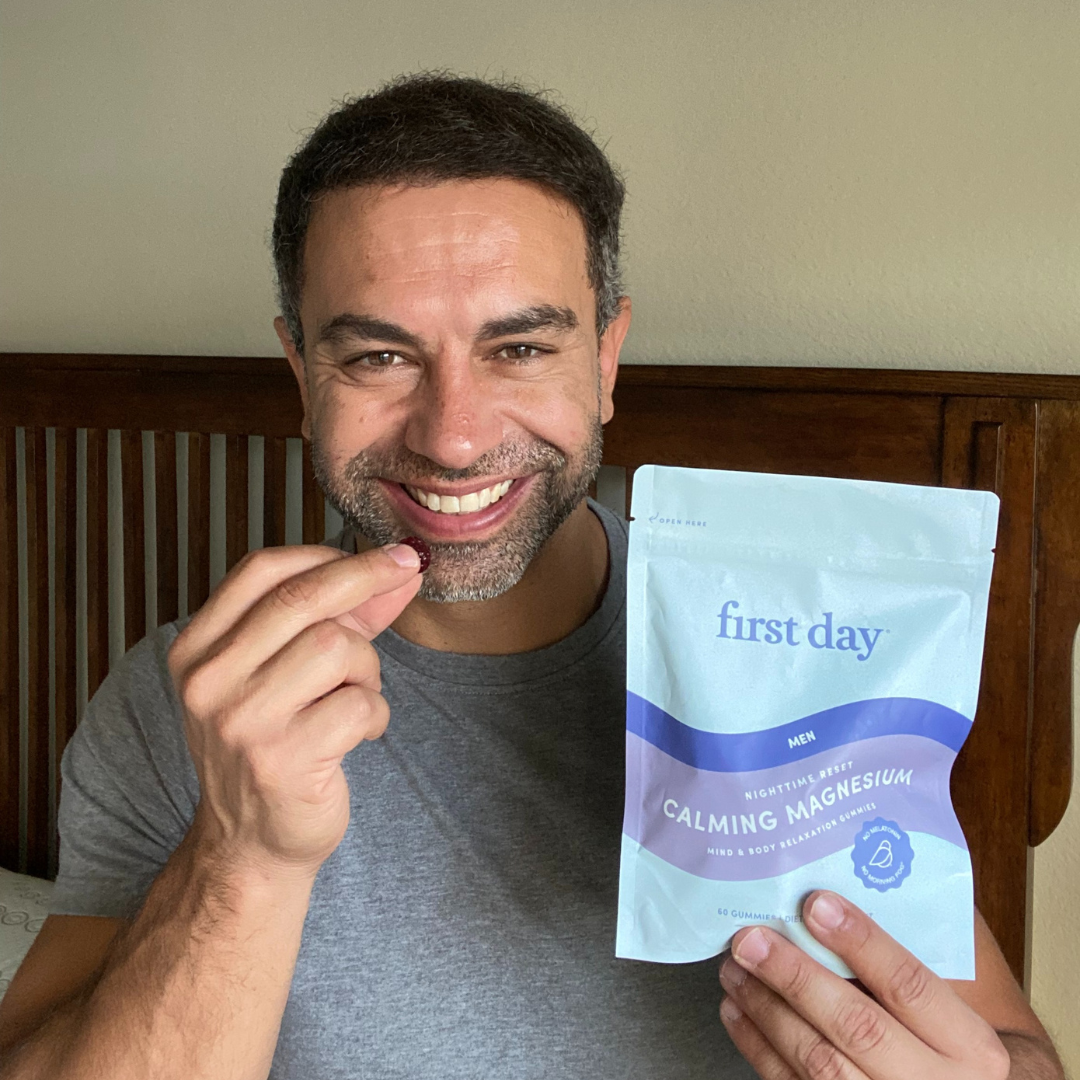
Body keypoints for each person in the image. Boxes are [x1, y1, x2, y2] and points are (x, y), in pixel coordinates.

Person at [0, 74, 1064, 1080]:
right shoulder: (196, 701)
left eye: (518, 350)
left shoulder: (783, 641)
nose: (454, 438)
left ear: (605, 359)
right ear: (301, 370)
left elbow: (1014, 1049)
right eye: (378, 358)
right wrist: (243, 858)